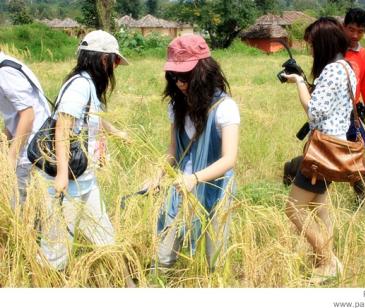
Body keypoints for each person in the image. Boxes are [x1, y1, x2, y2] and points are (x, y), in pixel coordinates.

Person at [38, 31, 133, 285]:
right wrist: (60, 176)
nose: (115, 68)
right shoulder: (80, 84)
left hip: (84, 180)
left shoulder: (88, 84)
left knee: (107, 240)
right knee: (57, 252)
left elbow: (94, 117)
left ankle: (131, 288)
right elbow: (62, 127)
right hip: (68, 183)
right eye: (114, 61)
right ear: (103, 60)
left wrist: (118, 133)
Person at [144, 34, 240, 271]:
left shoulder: (224, 107)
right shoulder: (176, 105)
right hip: (181, 189)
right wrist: (157, 177)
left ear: (203, 73)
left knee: (214, 260)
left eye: (185, 77)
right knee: (164, 255)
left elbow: (229, 159)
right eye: (174, 76)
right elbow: (173, 150)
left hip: (215, 190)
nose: (179, 83)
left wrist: (195, 178)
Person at [281, 17, 357, 283]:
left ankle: (326, 261)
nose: (311, 50)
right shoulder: (347, 67)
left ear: (323, 43)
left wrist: (300, 83)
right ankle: (328, 258)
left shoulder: (332, 71)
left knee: (293, 208)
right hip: (336, 148)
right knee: (319, 206)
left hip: (322, 151)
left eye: (312, 45)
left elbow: (313, 112)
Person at [0, 50, 50, 205]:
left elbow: (28, 116)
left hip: (30, 153)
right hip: (36, 146)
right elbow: (16, 117)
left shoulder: (5, 72)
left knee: (20, 211)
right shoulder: (8, 65)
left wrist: (11, 157)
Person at [344, 8, 365, 203]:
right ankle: (293, 170)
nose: (355, 35)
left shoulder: (363, 55)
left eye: (360, 31)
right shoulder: (333, 48)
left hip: (353, 114)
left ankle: (360, 199)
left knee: (358, 153)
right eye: (351, 29)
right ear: (343, 27)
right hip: (330, 113)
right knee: (322, 152)